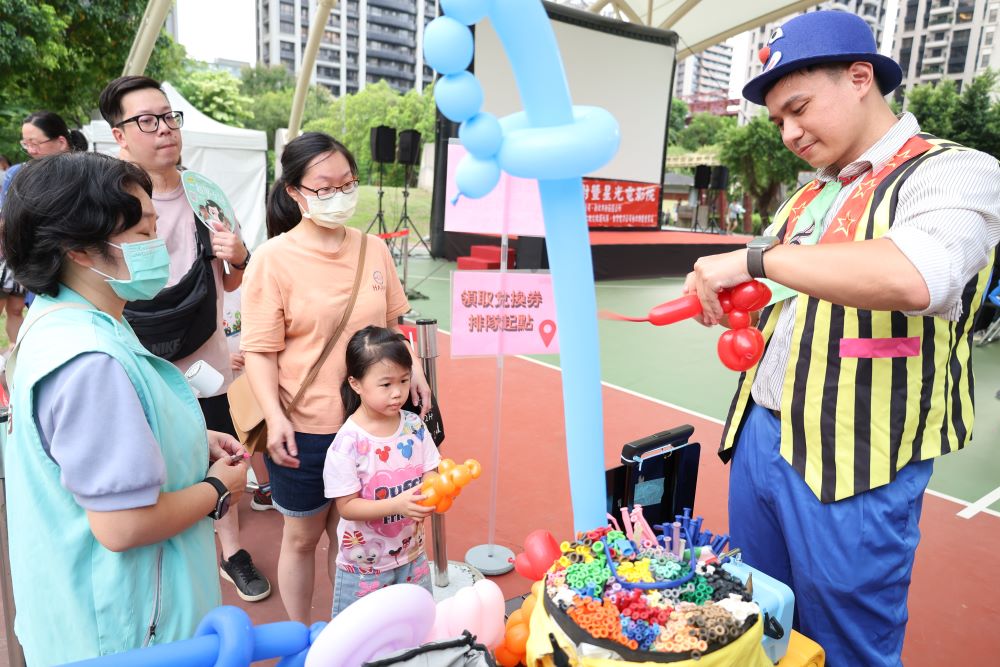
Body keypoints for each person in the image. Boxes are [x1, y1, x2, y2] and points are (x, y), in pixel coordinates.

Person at [683, 12, 1000, 666]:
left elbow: (917, 275)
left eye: (798, 109)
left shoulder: (956, 172)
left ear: (861, 77)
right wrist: (733, 302)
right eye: (777, 121)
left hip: (859, 457)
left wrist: (752, 261)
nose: (790, 133)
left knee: (849, 644)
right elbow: (781, 297)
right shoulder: (806, 200)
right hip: (760, 440)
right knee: (756, 616)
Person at [0, 152, 248, 663]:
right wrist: (220, 486)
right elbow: (124, 525)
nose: (159, 247)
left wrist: (191, 439)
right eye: (141, 235)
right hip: (131, 630)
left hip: (102, 616)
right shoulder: (89, 361)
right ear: (80, 250)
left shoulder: (61, 319)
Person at [240, 131, 432, 623]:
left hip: (373, 428)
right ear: (294, 192)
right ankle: (300, 636)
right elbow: (260, 351)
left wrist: (414, 374)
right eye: (324, 187)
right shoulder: (271, 259)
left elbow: (391, 326)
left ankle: (348, 628)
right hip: (307, 428)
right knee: (302, 536)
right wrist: (274, 416)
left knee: (351, 538)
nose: (339, 195)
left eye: (347, 183)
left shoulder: (374, 250)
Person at [99, 76, 270, 602]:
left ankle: (231, 550)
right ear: (119, 135)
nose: (164, 129)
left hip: (207, 359)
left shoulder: (205, 192)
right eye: (146, 120)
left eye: (169, 116)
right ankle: (160, 558)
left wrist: (238, 256)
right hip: (137, 352)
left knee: (223, 454)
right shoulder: (109, 199)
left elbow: (233, 279)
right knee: (147, 462)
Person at [324, 326, 438, 615]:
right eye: (385, 384)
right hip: (364, 568)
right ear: (356, 383)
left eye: (403, 380)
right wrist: (398, 504)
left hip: (413, 556)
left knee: (417, 625)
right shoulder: (348, 443)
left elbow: (430, 470)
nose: (398, 392)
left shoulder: (413, 425)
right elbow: (347, 506)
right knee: (362, 639)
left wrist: (435, 489)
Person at [0, 111, 90, 343]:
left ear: (61, 142)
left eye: (35, 143)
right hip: (38, 269)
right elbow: (7, 223)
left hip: (86, 271)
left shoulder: (89, 174)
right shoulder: (17, 175)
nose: (30, 150)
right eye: (25, 143)